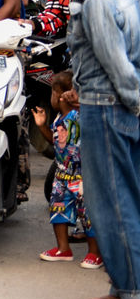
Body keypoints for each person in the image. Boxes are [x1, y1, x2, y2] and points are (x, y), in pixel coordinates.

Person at [67, 0, 140, 299]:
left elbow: (118, 68)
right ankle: (124, 288)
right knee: (126, 196)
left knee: (111, 201)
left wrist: (133, 102)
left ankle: (133, 298)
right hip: (120, 104)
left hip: (109, 106)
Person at [33, 71, 102, 267]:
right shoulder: (58, 118)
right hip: (62, 174)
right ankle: (63, 249)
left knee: (87, 214)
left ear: (58, 94)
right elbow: (56, 143)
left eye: (52, 93)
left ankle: (95, 253)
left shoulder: (79, 116)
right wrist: (42, 126)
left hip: (82, 175)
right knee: (58, 209)